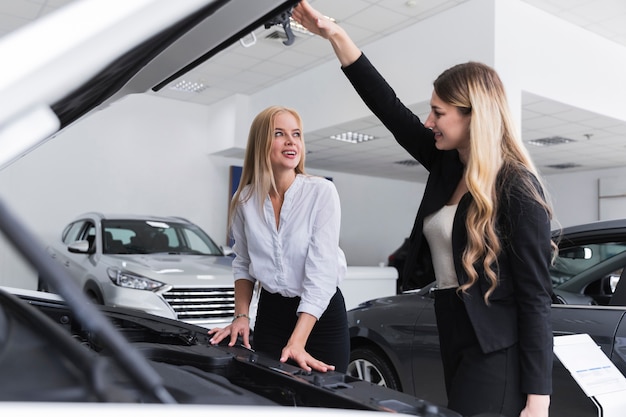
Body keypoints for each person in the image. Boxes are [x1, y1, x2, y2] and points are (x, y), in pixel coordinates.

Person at [293, 2, 555, 417]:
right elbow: (389, 108)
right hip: (451, 327)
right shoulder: (448, 166)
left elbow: (535, 298)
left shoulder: (517, 188)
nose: (429, 121)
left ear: (474, 117)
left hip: (495, 348)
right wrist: (336, 36)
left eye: (439, 112)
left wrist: (539, 398)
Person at [208, 105, 350, 374]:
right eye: (279, 134)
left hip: (319, 315)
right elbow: (243, 262)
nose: (291, 141)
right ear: (261, 143)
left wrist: (297, 341)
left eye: (296, 134)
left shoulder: (321, 193)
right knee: (271, 394)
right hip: (272, 313)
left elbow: (322, 274)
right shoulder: (244, 200)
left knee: (325, 401)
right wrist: (241, 316)